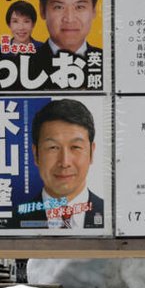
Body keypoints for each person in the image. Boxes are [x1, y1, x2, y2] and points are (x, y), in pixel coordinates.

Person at [15, 98, 104, 229]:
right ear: (36, 154)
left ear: (91, 152)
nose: (64, 162)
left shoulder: (112, 215)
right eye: (53, 147)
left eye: (75, 147)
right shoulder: (12, 222)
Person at [27, 0, 102, 79]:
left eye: (80, 7)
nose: (69, 19)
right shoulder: (20, 66)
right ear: (42, 10)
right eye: (59, 7)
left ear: (94, 10)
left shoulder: (110, 63)